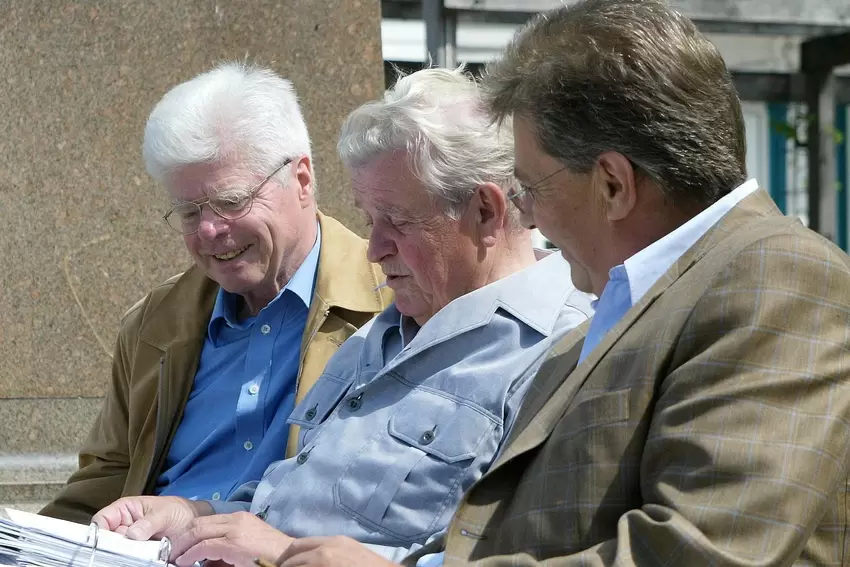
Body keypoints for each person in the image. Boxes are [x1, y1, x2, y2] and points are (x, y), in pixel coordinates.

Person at [270, 1, 850, 566]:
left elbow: (700, 551)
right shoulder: (636, 300)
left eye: (530, 188)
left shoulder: (778, 278)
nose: (528, 218)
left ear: (613, 185)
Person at [90, 66, 595, 567]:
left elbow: (550, 553)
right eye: (369, 221)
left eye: (396, 222)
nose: (373, 250)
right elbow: (287, 504)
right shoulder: (384, 331)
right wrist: (194, 515)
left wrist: (286, 553)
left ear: (485, 211)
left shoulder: (566, 351)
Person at [41, 62, 393, 525]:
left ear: (302, 180)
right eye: (188, 213)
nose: (209, 230)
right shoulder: (153, 325)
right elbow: (105, 482)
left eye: (231, 201)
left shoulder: (394, 302)